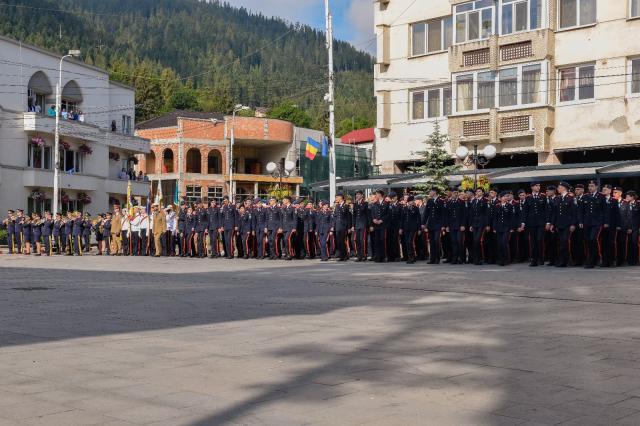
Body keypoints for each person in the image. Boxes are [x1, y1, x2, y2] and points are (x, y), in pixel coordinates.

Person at [551, 182, 577, 268]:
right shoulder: (557, 198)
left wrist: (573, 224)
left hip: (567, 224)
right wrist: (552, 224)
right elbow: (555, 213)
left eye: (559, 187)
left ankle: (568, 260)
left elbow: (574, 212)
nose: (558, 189)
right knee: (561, 243)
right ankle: (563, 261)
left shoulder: (571, 198)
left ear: (564, 188)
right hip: (559, 224)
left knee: (565, 242)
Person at [522, 182, 547, 267]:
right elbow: (525, 211)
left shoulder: (543, 196)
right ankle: (534, 259)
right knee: (533, 242)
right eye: (536, 186)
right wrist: (523, 223)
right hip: (531, 223)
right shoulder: (528, 197)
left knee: (539, 240)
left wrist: (547, 222)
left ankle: (541, 257)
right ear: (532, 187)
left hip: (541, 222)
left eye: (539, 185)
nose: (538, 187)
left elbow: (546, 210)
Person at [492, 192, 515, 266]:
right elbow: (495, 218)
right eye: (504, 196)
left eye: (507, 196)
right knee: (499, 244)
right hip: (499, 227)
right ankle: (501, 259)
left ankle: (506, 259)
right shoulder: (497, 206)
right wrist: (494, 227)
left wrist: (511, 227)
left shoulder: (510, 206)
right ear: (500, 198)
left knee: (504, 243)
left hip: (506, 227)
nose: (506, 198)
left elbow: (512, 218)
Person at [468, 188, 490, 265]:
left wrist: (487, 224)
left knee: (478, 240)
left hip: (482, 223)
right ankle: (476, 259)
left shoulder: (485, 200)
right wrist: (470, 224)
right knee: (475, 241)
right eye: (477, 191)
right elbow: (471, 213)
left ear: (483, 193)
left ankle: (480, 258)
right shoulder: (474, 201)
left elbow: (487, 214)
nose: (478, 192)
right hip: (474, 223)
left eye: (479, 191)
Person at [425, 188, 446, 264]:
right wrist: (423, 223)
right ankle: (432, 259)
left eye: (430, 191)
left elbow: (443, 214)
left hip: (438, 224)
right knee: (431, 241)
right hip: (431, 224)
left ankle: (437, 258)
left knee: (436, 240)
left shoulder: (440, 201)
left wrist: (443, 225)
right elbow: (426, 213)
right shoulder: (429, 201)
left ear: (434, 192)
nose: (429, 193)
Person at [400, 195, 420, 264]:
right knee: (407, 242)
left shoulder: (415, 208)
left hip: (413, 228)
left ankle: (411, 257)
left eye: (412, 201)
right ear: (408, 202)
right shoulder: (405, 208)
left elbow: (418, 219)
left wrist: (419, 228)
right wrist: (401, 228)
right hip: (406, 228)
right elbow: (402, 219)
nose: (412, 202)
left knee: (409, 242)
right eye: (411, 201)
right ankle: (411, 257)